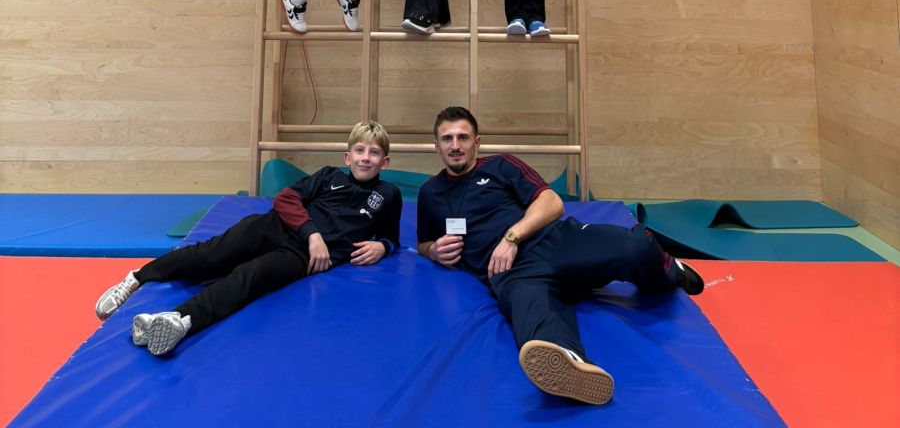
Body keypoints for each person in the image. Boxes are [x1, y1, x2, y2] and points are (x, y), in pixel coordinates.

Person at [417, 106, 704, 406]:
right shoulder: (430, 193)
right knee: (536, 325)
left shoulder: (502, 166)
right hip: (513, 273)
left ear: (476, 142)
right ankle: (572, 364)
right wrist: (433, 251)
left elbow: (551, 202)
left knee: (636, 246)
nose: (455, 145)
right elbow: (424, 242)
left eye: (463, 137)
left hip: (554, 241)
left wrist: (512, 237)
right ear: (436, 146)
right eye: (447, 139)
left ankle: (668, 271)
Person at [94, 121, 401, 357]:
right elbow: (285, 199)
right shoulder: (329, 176)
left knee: (248, 278)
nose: (366, 158)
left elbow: (392, 236)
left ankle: (178, 320)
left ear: (384, 162)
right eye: (360, 151)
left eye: (374, 153)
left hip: (301, 258)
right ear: (348, 157)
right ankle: (136, 278)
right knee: (211, 256)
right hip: (276, 226)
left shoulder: (389, 194)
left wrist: (383, 246)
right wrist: (313, 234)